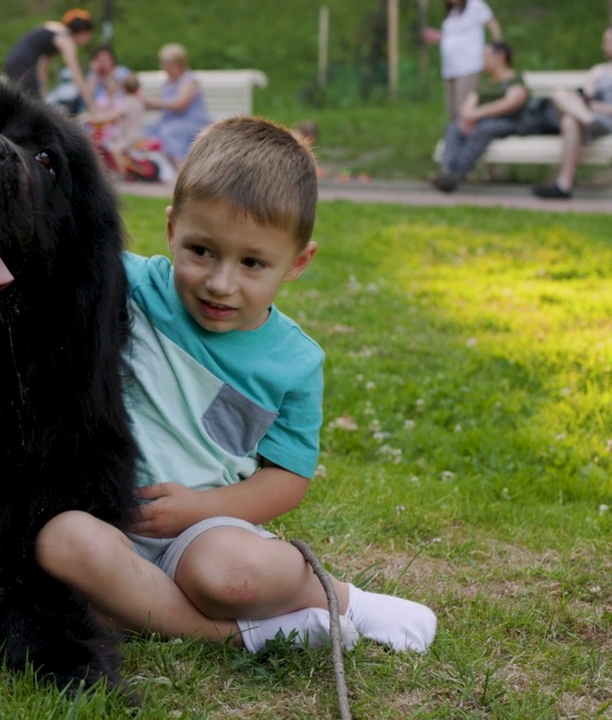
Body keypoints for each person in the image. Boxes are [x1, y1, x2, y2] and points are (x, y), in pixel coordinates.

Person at [36, 116, 438, 655]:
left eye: (252, 263)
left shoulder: (294, 362)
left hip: (204, 532)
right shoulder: (130, 286)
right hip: (107, 524)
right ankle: (247, 637)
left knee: (229, 576)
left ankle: (342, 598)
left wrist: (198, 511)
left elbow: (287, 479)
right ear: (173, 229)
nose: (220, 283)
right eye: (201, 250)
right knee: (59, 543)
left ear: (298, 262)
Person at [534, 24, 612, 200]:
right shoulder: (599, 71)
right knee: (562, 102)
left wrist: (605, 108)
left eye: (607, 41)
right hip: (592, 117)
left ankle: (564, 183)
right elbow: (586, 98)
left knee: (569, 120)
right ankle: (564, 184)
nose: (603, 46)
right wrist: (587, 105)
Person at [431, 41, 528, 193]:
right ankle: (447, 172)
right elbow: (466, 108)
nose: (483, 59)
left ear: (500, 56)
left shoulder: (515, 80)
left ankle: (457, 174)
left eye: (486, 55)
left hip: (510, 122)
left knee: (484, 129)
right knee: (455, 127)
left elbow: (511, 103)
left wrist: (477, 115)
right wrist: (469, 117)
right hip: (481, 123)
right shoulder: (486, 84)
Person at [421, 0, 503, 122]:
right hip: (450, 67)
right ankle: (455, 137)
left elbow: (493, 25)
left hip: (468, 65)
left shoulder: (475, 5)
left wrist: (495, 49)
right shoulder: (453, 12)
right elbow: (455, 36)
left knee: (464, 109)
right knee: (453, 111)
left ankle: (467, 138)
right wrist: (439, 37)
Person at [4, 8, 97, 111]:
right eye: (89, 34)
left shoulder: (55, 29)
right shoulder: (66, 39)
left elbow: (43, 66)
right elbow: (75, 73)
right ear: (83, 32)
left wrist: (43, 94)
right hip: (23, 64)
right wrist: (92, 106)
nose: (90, 38)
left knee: (31, 101)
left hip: (14, 61)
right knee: (32, 105)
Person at [143, 43, 211, 169]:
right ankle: (154, 169)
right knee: (146, 131)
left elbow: (180, 105)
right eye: (164, 64)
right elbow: (159, 103)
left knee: (168, 133)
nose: (165, 68)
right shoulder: (167, 82)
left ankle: (179, 169)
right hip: (169, 122)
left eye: (168, 64)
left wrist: (154, 102)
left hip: (191, 122)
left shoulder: (189, 80)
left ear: (179, 64)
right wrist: (143, 102)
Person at [87, 72, 145, 179]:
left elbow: (113, 116)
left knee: (115, 149)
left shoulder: (127, 102)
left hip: (129, 136)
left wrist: (96, 120)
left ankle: (123, 174)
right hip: (135, 134)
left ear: (123, 87)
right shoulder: (137, 101)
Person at [88, 45, 130, 113]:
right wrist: (95, 73)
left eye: (105, 60)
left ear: (112, 59)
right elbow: (87, 96)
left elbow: (133, 89)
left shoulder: (122, 72)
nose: (103, 64)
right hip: (99, 111)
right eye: (100, 61)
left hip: (120, 110)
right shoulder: (93, 75)